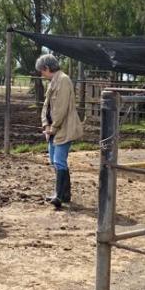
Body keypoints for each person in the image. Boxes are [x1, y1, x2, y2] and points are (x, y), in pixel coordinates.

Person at [37, 54, 83, 210]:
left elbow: (60, 109)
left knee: (59, 160)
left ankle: (59, 194)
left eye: (41, 71)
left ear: (47, 68)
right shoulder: (53, 82)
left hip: (63, 128)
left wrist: (52, 128)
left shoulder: (63, 80)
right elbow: (46, 106)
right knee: (54, 160)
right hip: (52, 129)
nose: (41, 74)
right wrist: (45, 126)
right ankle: (63, 194)